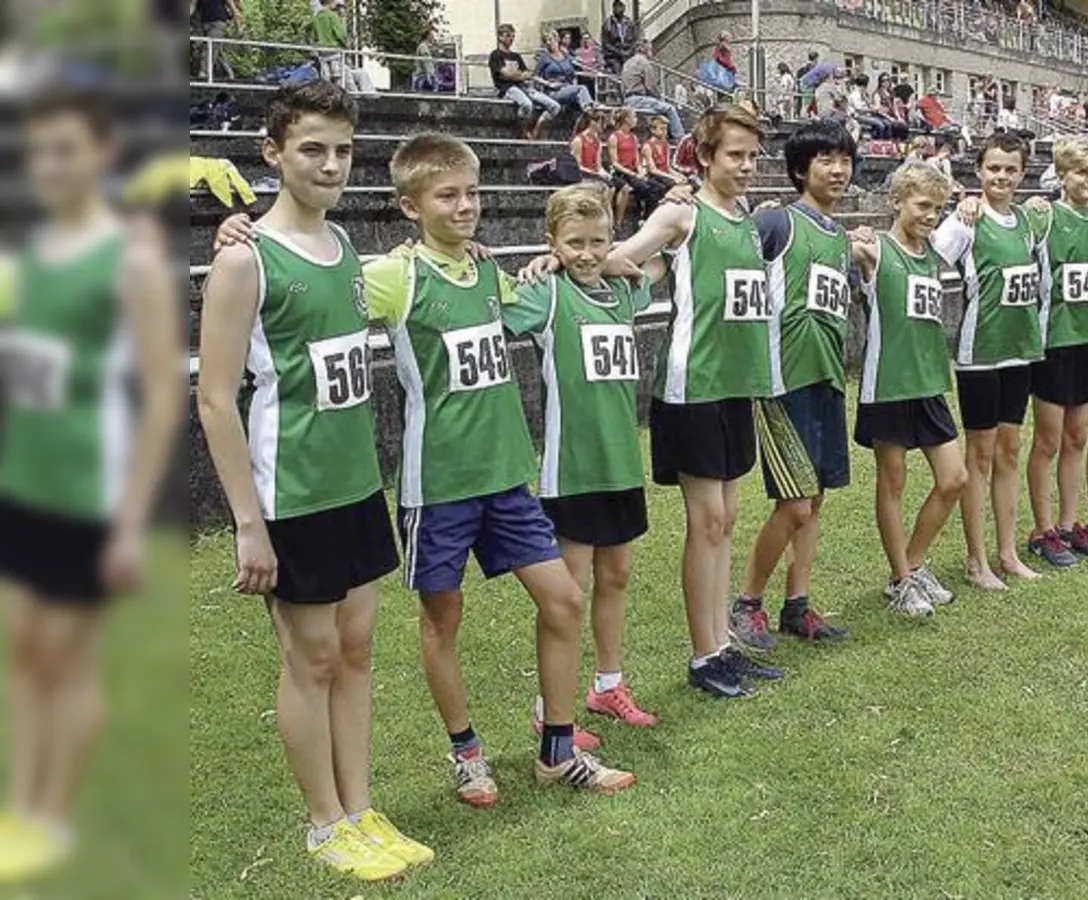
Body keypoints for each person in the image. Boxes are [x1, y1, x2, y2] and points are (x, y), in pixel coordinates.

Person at [212, 128, 640, 807]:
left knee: (562, 599)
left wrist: (577, 263)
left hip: (508, 479)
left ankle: (558, 752)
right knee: (443, 619)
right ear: (411, 207)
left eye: (472, 194)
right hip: (437, 488)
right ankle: (467, 753)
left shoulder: (494, 273)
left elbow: (568, 276)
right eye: (448, 196)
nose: (466, 207)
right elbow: (314, 271)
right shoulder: (392, 276)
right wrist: (242, 233)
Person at [197, 81, 432, 881]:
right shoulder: (244, 261)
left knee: (358, 649)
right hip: (289, 493)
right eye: (312, 149)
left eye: (341, 150)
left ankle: (362, 810)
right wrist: (247, 522)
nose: (330, 165)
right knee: (312, 657)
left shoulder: (347, 254)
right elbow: (214, 398)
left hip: (354, 484)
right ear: (273, 154)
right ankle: (324, 824)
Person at [524, 105, 777, 698]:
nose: (745, 165)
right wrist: (563, 258)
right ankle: (704, 655)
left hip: (735, 384)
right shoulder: (682, 212)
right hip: (693, 387)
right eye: (734, 154)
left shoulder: (743, 216)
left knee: (727, 519)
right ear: (706, 156)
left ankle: (721, 642)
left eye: (752, 155)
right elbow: (624, 255)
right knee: (707, 520)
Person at [0, 89, 182, 884]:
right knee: (24, 651)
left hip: (89, 491)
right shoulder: (29, 255)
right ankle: (22, 800)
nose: (52, 165)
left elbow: (159, 391)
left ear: (102, 156)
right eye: (41, 152)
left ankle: (50, 814)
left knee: (68, 659)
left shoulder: (131, 261)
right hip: (23, 484)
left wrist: (130, 524)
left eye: (68, 149)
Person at [502, 185, 662, 732]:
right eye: (574, 243)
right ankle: (552, 706)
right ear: (553, 243)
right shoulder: (546, 295)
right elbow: (494, 306)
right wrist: (540, 266)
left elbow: (661, 259)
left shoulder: (622, 292)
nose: (588, 254)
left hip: (621, 463)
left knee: (616, 574)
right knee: (567, 592)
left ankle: (608, 686)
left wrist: (624, 259)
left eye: (598, 241)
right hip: (571, 470)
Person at [728, 121, 857, 654]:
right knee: (796, 502)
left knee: (815, 499)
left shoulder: (842, 237)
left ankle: (797, 604)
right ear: (802, 168)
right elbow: (725, 252)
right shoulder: (775, 222)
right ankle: (747, 604)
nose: (838, 169)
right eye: (825, 159)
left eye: (844, 159)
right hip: (782, 382)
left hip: (826, 377)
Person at [851, 163, 968, 616]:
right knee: (893, 482)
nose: (930, 215)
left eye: (937, 209)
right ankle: (901, 581)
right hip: (889, 384)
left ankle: (913, 565)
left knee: (953, 478)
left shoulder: (931, 252)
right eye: (922, 205)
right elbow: (840, 248)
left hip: (929, 382)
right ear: (897, 201)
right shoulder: (876, 249)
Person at [933, 132, 1045, 592]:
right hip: (979, 354)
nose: (1001, 176)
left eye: (1010, 169)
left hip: (1019, 350)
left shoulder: (1029, 221)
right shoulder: (966, 221)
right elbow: (923, 252)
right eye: (993, 168)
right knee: (979, 455)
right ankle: (976, 560)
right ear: (978, 171)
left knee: (1010, 452)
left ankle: (1008, 551)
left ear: (1022, 173)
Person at [1018, 138, 1088, 567]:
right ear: (1062, 176)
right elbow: (1008, 223)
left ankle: (1072, 524)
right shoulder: (1045, 216)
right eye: (1080, 174)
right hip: (1053, 342)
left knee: (1078, 436)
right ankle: (1042, 529)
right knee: (1049, 440)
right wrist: (972, 206)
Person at [489, 24, 558, 140]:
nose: (511, 39)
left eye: (512, 36)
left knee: (554, 106)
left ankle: (536, 130)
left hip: (524, 87)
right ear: (500, 37)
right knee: (527, 104)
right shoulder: (495, 55)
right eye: (508, 36)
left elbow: (529, 74)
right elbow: (506, 74)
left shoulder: (516, 56)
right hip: (507, 89)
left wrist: (548, 84)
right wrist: (520, 75)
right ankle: (523, 132)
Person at [620, 39, 685, 141]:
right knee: (669, 108)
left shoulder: (627, 63)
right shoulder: (644, 62)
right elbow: (651, 86)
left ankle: (666, 135)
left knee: (660, 108)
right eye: (650, 49)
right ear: (645, 50)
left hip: (627, 100)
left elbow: (622, 86)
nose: (652, 52)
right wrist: (659, 97)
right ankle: (680, 138)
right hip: (638, 99)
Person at [609, 106, 663, 223]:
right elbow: (615, 163)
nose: (636, 119)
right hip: (622, 172)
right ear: (627, 120)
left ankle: (648, 217)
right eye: (634, 117)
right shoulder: (614, 137)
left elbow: (637, 158)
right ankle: (639, 216)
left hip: (633, 171)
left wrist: (640, 171)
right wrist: (633, 174)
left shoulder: (633, 137)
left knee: (657, 187)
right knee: (642, 187)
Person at [310, 0, 375, 94]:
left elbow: (315, 36)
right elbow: (341, 34)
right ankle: (352, 96)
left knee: (327, 77)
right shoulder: (332, 16)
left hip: (323, 52)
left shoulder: (316, 17)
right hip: (335, 51)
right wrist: (343, 19)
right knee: (341, 77)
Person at [536, 29, 597, 115]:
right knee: (581, 89)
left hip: (567, 87)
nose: (548, 43)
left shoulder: (566, 56)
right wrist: (547, 83)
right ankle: (590, 113)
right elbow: (534, 76)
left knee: (580, 99)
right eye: (545, 41)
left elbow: (577, 64)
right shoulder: (544, 58)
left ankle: (587, 114)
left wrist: (590, 68)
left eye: (550, 39)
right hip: (554, 91)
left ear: (557, 39)